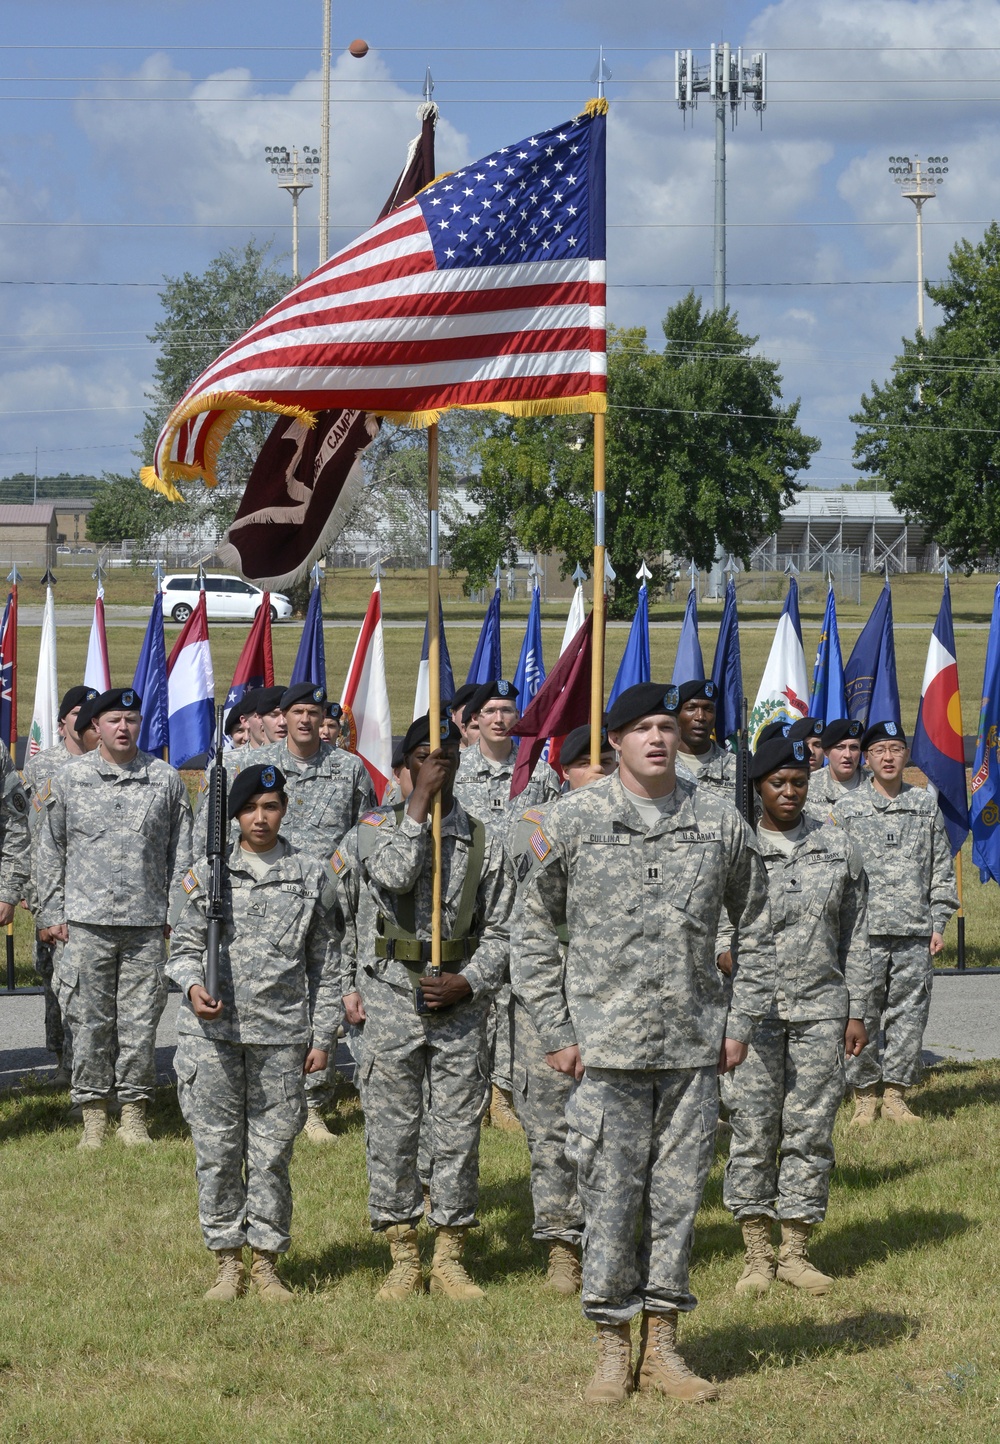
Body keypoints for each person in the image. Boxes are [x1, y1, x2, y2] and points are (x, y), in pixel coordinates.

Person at [514, 682, 776, 1406]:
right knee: (608, 1200)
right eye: (642, 729)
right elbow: (532, 932)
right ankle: (609, 1347)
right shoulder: (570, 822)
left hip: (693, 1049)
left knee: (677, 1201)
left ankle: (663, 1347)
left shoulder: (720, 822)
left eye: (667, 726)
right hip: (603, 1054)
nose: (659, 738)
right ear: (618, 743)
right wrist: (556, 1032)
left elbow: (756, 923)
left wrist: (741, 1022)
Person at [345, 715, 515, 1302]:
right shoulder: (371, 831)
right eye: (424, 756)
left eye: (446, 756)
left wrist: (470, 981)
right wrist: (417, 804)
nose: (438, 765)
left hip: (458, 1007)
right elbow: (391, 877)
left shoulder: (484, 840)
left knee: (457, 1133)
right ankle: (401, 1250)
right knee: (392, 1132)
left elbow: (505, 933)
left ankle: (449, 1252)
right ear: (406, 766)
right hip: (391, 998)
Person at [168, 763, 344, 1302]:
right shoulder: (204, 874)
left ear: (284, 810)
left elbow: (329, 964)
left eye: (270, 807)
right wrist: (194, 985)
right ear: (234, 816)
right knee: (218, 1152)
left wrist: (323, 1037)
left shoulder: (312, 875)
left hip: (281, 1037)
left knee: (271, 1154)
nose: (260, 818)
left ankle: (266, 1264)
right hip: (212, 1038)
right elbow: (181, 949)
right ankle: (227, 1262)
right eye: (249, 809)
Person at [722, 734, 870, 1298]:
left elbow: (856, 933)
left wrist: (855, 1009)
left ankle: (795, 1251)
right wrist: (722, 952)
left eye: (799, 783)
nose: (789, 792)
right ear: (757, 787)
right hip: (753, 1014)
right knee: (754, 1128)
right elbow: (714, 913)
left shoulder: (837, 846)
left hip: (819, 1010)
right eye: (777, 783)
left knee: (809, 1129)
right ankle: (756, 1255)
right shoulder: (737, 845)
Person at [35, 687, 193, 1148]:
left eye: (131, 720)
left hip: (145, 926)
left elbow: (180, 854)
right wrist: (50, 912)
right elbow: (49, 849)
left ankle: (134, 1115)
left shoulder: (164, 780)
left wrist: (176, 915)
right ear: (95, 727)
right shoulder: (69, 779)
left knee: (141, 1025)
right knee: (87, 1022)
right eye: (113, 720)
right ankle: (92, 1117)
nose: (123, 728)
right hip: (84, 924)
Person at [235, 681, 376, 1143]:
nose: (304, 720)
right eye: (295, 712)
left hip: (329, 903)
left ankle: (313, 1106)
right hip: (266, 902)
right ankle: (259, 1098)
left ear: (322, 719)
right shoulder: (256, 765)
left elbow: (365, 836)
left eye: (313, 713)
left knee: (322, 994)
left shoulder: (348, 768)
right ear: (282, 716)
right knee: (267, 999)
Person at [507, 723, 617, 1296]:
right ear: (564, 772)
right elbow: (520, 922)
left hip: (614, 999)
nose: (598, 777)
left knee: (612, 1126)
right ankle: (560, 1245)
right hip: (548, 995)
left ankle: (610, 1237)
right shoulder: (536, 829)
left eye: (606, 766)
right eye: (587, 767)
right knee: (550, 1128)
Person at [831, 721, 957, 1126]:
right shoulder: (847, 810)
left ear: (906, 757)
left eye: (896, 750)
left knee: (909, 1015)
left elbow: (941, 868)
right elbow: (834, 876)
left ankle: (895, 1095)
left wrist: (938, 921)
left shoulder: (924, 806)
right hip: (861, 935)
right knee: (860, 1013)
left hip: (914, 933)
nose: (888, 757)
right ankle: (864, 1095)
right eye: (880, 750)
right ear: (867, 758)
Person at [454, 678, 561, 1130]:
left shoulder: (538, 772)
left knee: (516, 999)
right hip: (467, 906)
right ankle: (472, 1091)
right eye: (490, 711)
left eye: (507, 711)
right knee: (474, 999)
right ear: (473, 719)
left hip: (525, 905)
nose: (500, 719)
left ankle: (502, 1091)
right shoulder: (455, 771)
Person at [22, 685, 98, 1084]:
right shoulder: (42, 768)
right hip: (53, 889)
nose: (86, 723)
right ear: (62, 722)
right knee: (56, 979)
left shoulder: (111, 764)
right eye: (78, 715)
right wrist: (30, 890)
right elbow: (32, 832)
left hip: (96, 892)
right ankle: (63, 1060)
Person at [673, 679, 738, 795]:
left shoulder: (738, 768)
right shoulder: (661, 765)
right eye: (691, 708)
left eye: (708, 709)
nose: (700, 717)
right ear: (676, 715)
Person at [806, 719, 865, 812]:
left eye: (854, 747)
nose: (847, 755)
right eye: (840, 747)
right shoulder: (808, 784)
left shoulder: (876, 782)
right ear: (826, 752)